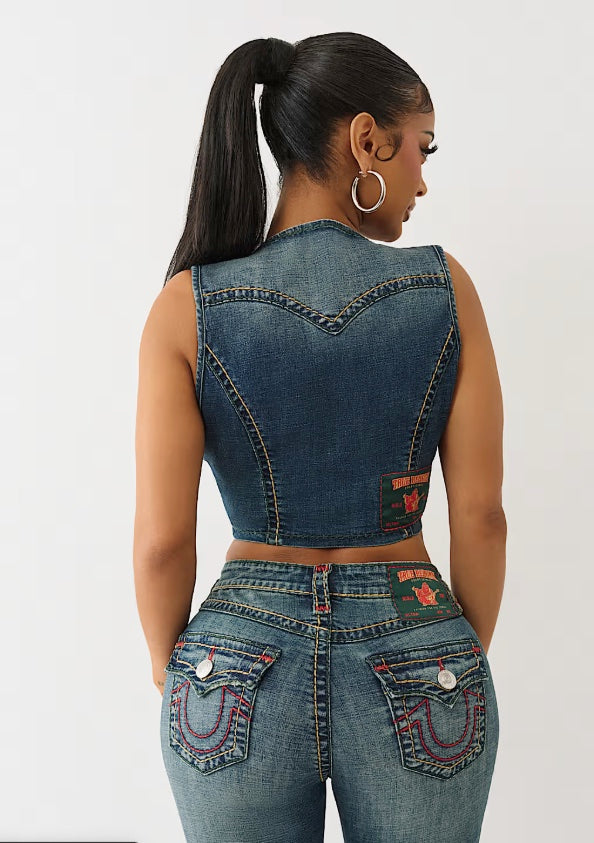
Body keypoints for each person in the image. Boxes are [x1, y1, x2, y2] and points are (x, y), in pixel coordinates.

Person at [134, 32, 506, 843]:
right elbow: (481, 516)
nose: (422, 179)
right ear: (366, 141)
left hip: (234, 659)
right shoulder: (444, 288)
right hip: (418, 640)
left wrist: (173, 666)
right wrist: (451, 652)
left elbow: (163, 542)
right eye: (420, 148)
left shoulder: (187, 305)